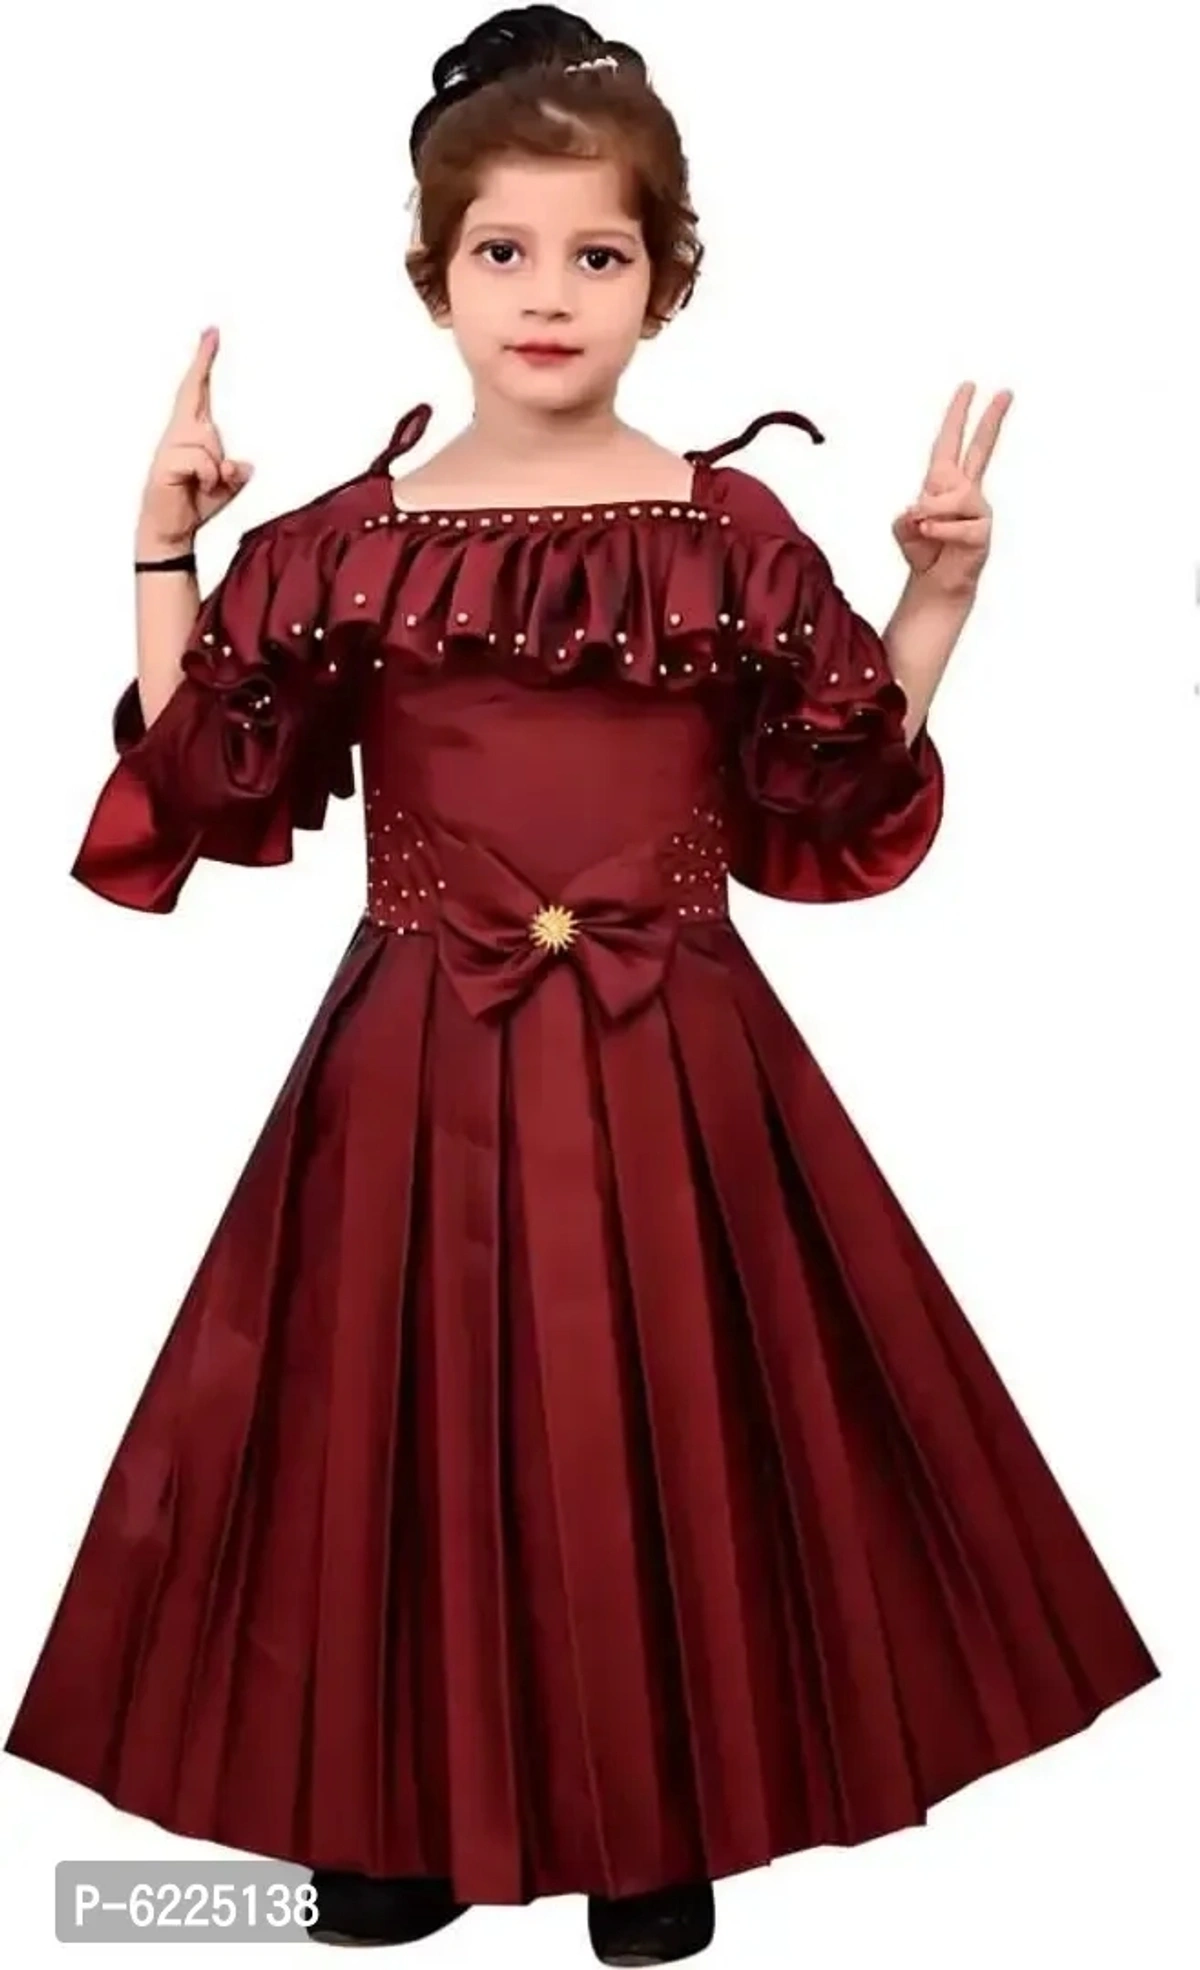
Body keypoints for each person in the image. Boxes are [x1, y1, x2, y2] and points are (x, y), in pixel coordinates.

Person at [5, 5, 1159, 1962]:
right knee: (400, 1428)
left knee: (672, 1418)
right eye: (505, 251)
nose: (548, 294)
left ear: (665, 280)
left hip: (678, 1058)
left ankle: (655, 1826)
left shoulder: (732, 537)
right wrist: (161, 551)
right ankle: (400, 1823)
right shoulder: (342, 546)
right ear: (434, 278)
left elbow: (832, 791)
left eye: (597, 252)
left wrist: (940, 597)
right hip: (413, 1063)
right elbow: (208, 779)